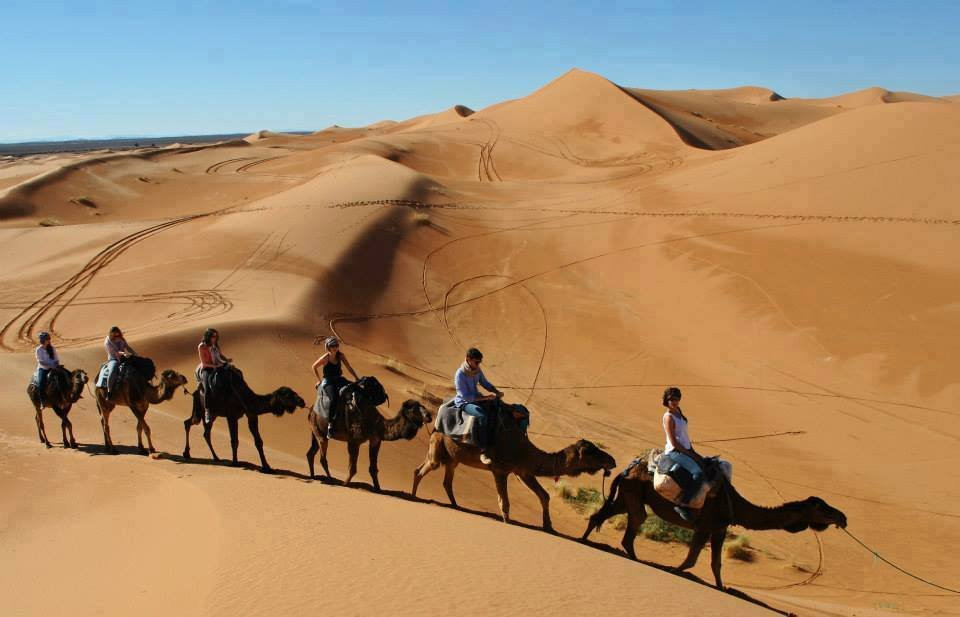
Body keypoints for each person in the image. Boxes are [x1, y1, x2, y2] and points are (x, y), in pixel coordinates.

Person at [452, 347, 504, 465]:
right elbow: (466, 397)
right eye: (476, 362)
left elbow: (484, 383)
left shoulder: (477, 370)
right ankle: (483, 450)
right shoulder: (459, 375)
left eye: (479, 362)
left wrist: (496, 392)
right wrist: (486, 398)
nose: (478, 364)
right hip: (465, 403)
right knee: (481, 415)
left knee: (497, 405)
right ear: (468, 359)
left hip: (477, 398)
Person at [661, 387, 705, 522]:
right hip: (675, 452)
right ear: (666, 400)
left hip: (686, 449)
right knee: (698, 474)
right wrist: (689, 453)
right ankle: (683, 504)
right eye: (671, 399)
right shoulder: (668, 417)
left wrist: (693, 451)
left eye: (677, 399)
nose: (674, 401)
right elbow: (674, 442)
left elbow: (684, 436)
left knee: (707, 465)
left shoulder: (679, 412)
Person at [312, 337, 358, 438]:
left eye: (336, 345)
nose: (335, 348)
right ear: (328, 347)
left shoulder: (340, 356)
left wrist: (356, 378)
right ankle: (330, 425)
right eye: (333, 346)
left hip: (339, 379)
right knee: (334, 399)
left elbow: (349, 367)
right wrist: (319, 381)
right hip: (328, 382)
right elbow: (314, 367)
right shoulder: (326, 358)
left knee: (355, 389)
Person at [198, 328, 232, 422]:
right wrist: (215, 366)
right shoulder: (201, 346)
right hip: (207, 369)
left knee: (233, 375)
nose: (215, 338)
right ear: (208, 336)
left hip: (218, 365)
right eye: (213, 336)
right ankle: (207, 411)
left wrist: (227, 360)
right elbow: (204, 363)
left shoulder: (215, 344)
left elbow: (220, 355)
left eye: (216, 336)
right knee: (208, 389)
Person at [102, 326, 135, 397]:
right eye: (115, 335)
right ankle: (109, 392)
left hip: (124, 357)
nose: (117, 336)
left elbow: (127, 347)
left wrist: (134, 353)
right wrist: (124, 353)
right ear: (111, 334)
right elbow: (115, 353)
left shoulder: (121, 338)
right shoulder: (107, 342)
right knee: (113, 370)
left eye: (118, 334)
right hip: (113, 359)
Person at [34, 331, 61, 409]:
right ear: (42, 340)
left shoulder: (52, 348)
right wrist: (50, 365)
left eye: (49, 339)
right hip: (43, 369)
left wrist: (56, 364)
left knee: (65, 376)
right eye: (47, 339)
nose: (49, 340)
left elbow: (56, 359)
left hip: (54, 368)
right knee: (41, 383)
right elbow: (40, 361)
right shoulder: (38, 350)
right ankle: (42, 402)